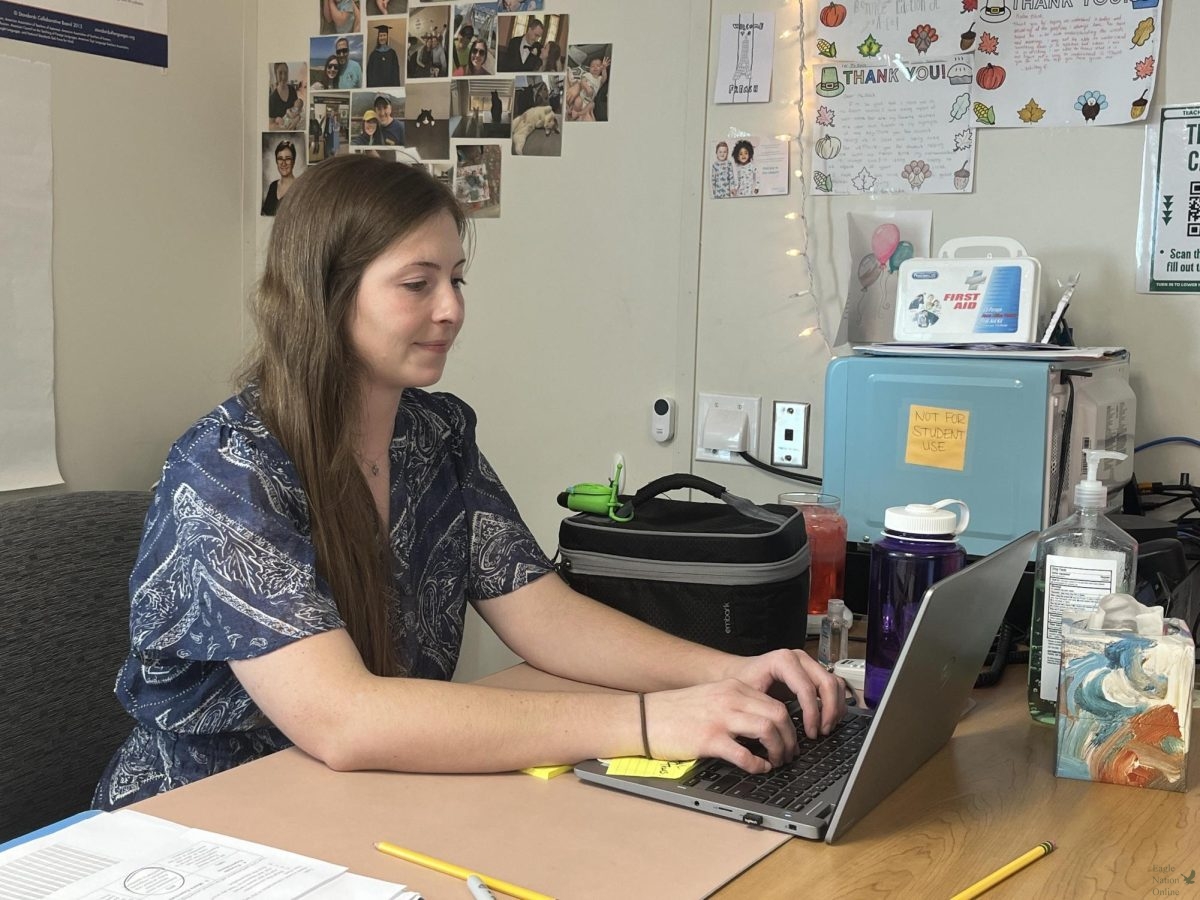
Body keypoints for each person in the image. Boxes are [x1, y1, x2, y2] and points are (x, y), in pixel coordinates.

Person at [92, 155, 843, 810]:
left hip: (362, 793)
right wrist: (649, 721)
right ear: (326, 295)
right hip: (207, 820)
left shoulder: (435, 434)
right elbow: (344, 720)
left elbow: (544, 617)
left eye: (455, 279)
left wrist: (732, 673)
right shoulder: (227, 470)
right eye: (416, 284)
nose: (450, 309)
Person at [565, 53, 609, 122]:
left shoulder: (600, 79)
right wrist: (587, 87)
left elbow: (604, 78)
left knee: (592, 104)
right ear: (589, 69)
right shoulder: (587, 75)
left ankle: (578, 114)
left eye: (598, 66)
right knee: (578, 101)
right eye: (592, 66)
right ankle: (573, 112)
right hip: (582, 96)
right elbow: (583, 81)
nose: (595, 67)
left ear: (601, 68)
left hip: (589, 101)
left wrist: (604, 68)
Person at [259, 140, 297, 216]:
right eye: (280, 158)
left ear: (293, 162)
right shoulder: (273, 186)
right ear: (276, 161)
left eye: (288, 158)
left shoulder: (299, 188)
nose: (283, 163)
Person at [268, 62, 304, 130]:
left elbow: (297, 109)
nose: (283, 76)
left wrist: (296, 119)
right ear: (276, 74)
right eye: (280, 73)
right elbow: (270, 125)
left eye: (286, 73)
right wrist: (284, 128)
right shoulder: (272, 99)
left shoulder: (292, 90)